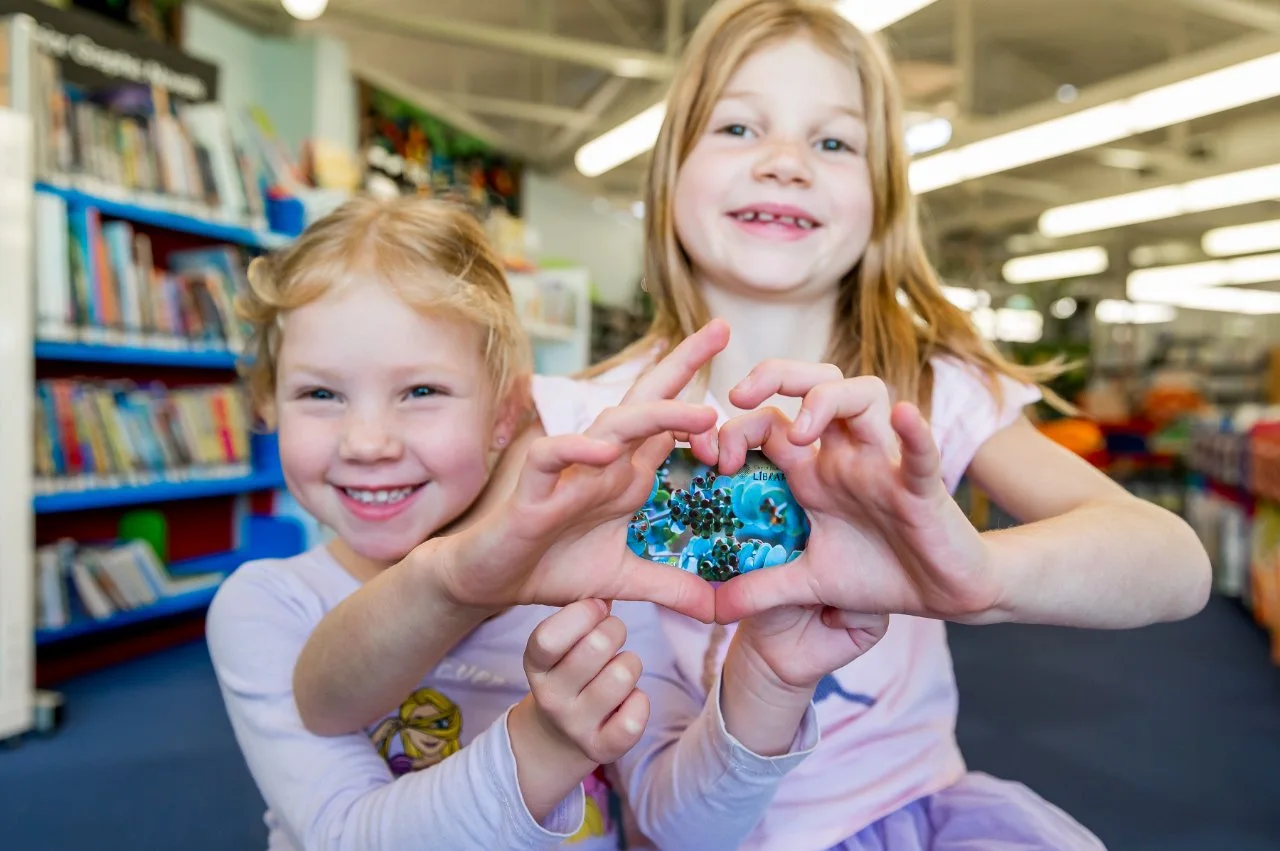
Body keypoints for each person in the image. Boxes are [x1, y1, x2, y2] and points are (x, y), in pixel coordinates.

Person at [292, 2, 1213, 848]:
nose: (784, 159)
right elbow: (336, 687)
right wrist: (466, 575)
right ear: (671, 173)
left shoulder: (922, 388)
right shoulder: (583, 420)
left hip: (909, 815)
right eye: (738, 127)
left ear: (883, 198)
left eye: (835, 142)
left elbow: (1172, 562)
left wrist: (976, 575)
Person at [204, 196, 722, 850]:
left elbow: (674, 818)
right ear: (267, 403)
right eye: (320, 393)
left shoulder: (594, 580)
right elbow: (346, 835)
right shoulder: (265, 605)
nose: (367, 441)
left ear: (507, 415)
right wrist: (547, 740)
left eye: (420, 391)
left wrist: (773, 680)